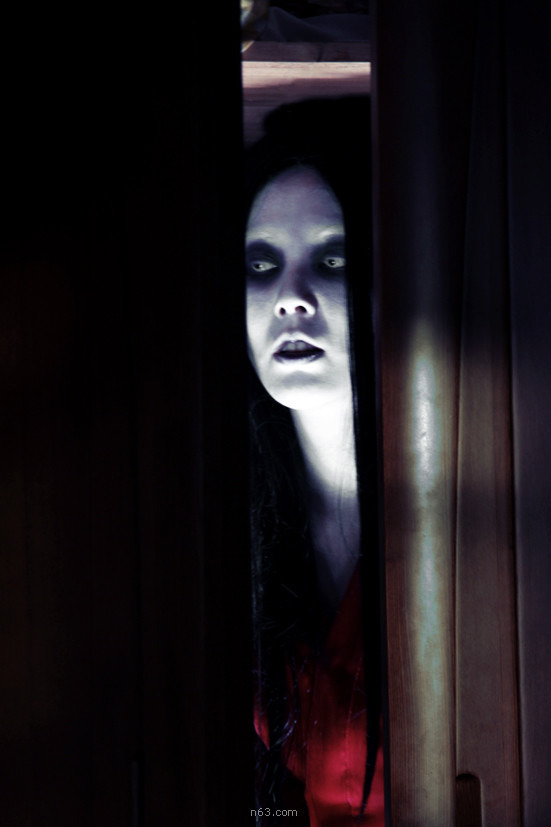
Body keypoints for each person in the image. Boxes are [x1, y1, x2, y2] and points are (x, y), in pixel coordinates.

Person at [245, 97, 384, 826]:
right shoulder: (232, 523)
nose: (289, 299)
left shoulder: (474, 528)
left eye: (331, 260)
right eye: (261, 265)